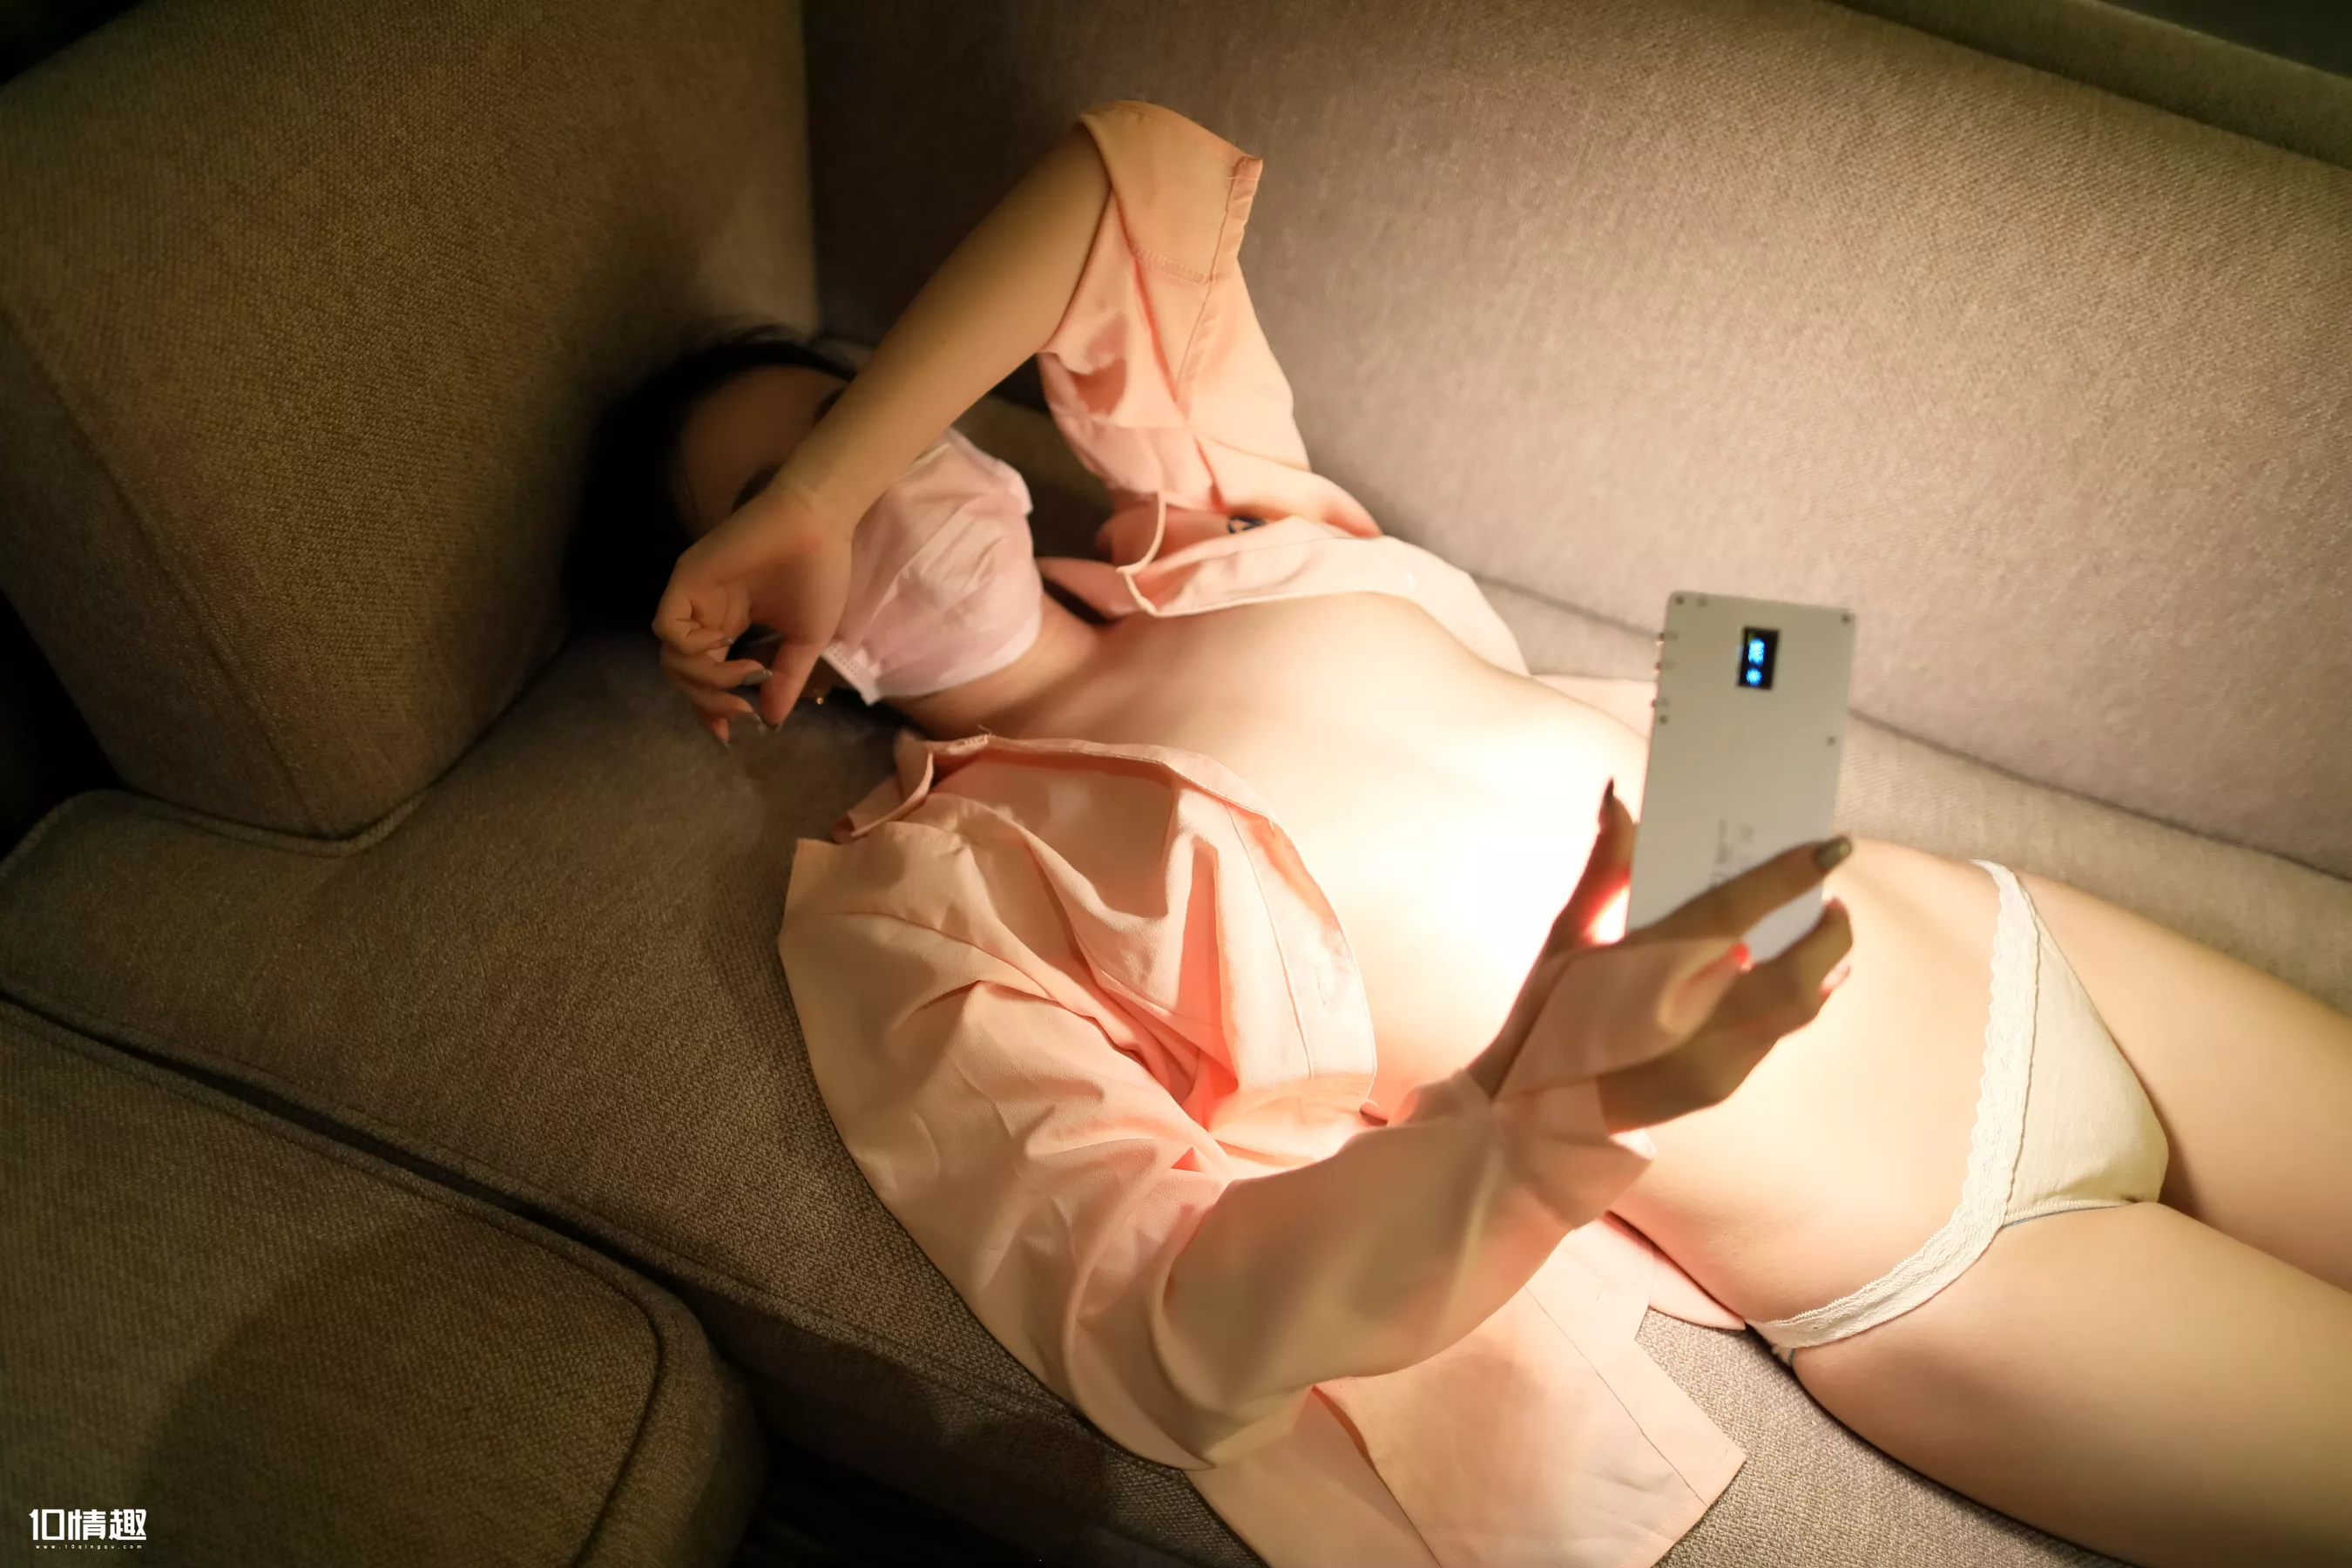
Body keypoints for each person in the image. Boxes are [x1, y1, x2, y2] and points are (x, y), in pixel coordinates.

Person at [580, 101, 2352, 1568]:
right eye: (757, 515)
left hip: (2018, 945)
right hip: (1942, 1263)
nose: (860, 490)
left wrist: (818, 486)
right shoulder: (928, 906)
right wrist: (1528, 1124)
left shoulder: (1223, 534)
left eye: (846, 425)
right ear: (754, 654)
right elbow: (1164, 1323)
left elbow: (1135, 172)